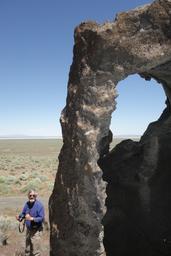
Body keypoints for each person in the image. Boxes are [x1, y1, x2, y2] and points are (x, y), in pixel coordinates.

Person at [16, 189, 45, 256]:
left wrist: (32, 218)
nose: (32, 197)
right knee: (27, 249)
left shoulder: (39, 205)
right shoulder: (27, 204)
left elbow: (41, 218)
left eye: (33, 195)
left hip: (36, 231)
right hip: (28, 230)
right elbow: (23, 213)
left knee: (35, 252)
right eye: (30, 195)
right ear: (28, 196)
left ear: (36, 196)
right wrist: (19, 217)